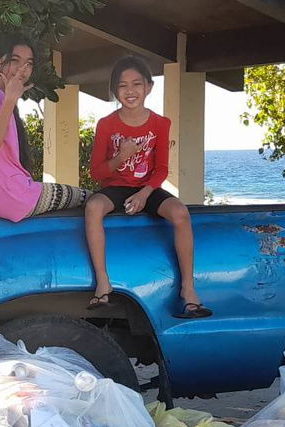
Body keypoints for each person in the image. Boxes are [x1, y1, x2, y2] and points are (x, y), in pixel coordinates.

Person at [85, 54, 211, 319]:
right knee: (94, 207)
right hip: (116, 187)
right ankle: (103, 282)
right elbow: (97, 172)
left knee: (180, 213)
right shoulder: (106, 124)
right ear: (115, 90)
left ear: (148, 87)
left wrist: (145, 193)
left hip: (147, 187)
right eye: (122, 85)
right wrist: (122, 155)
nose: (130, 91)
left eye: (136, 84)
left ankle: (188, 290)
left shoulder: (160, 123)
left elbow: (161, 168)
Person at [0, 33, 91, 221]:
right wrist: (10, 99)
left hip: (0, 198)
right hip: (15, 196)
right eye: (15, 61)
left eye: (29, 63)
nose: (23, 69)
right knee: (89, 198)